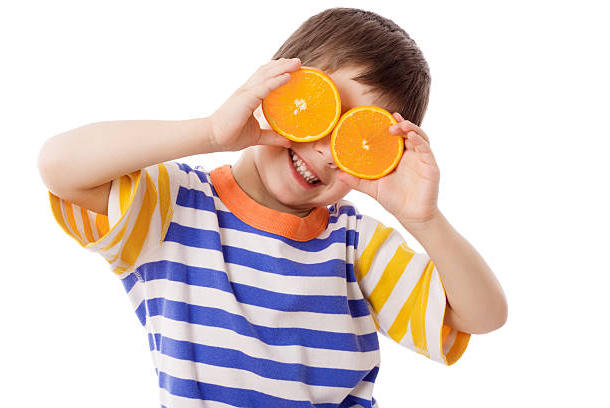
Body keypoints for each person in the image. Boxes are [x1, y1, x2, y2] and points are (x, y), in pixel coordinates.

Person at [37, 7, 507, 408]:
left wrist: (423, 219)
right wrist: (211, 132)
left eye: (356, 138)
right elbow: (59, 165)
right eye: (320, 109)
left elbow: (483, 316)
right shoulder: (173, 208)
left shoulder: (356, 245)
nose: (325, 149)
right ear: (276, 89)